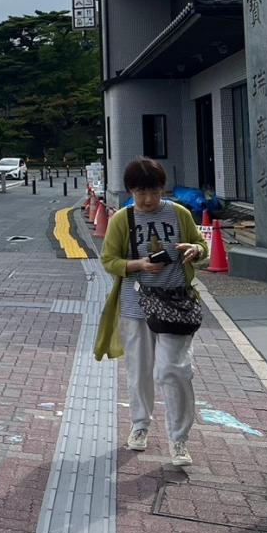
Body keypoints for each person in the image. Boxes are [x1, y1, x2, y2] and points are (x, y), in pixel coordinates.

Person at [95, 157, 209, 468]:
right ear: (130, 191)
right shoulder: (123, 218)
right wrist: (139, 265)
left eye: (154, 192)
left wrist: (196, 250)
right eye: (140, 192)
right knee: (139, 370)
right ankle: (139, 424)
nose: (147, 199)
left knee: (174, 370)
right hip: (136, 305)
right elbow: (109, 260)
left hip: (175, 304)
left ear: (163, 189)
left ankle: (179, 438)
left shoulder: (179, 213)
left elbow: (201, 245)